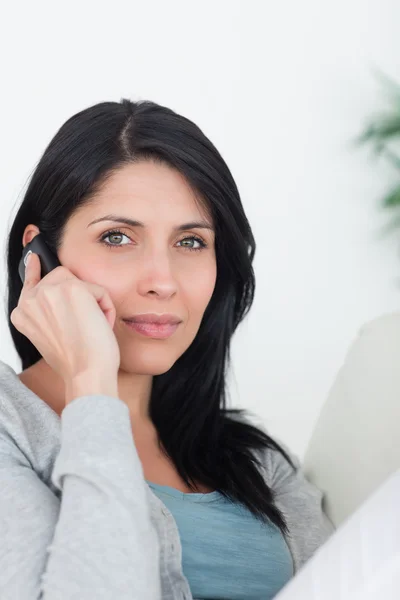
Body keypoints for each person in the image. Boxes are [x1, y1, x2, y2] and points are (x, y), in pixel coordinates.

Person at [0, 99, 333, 600]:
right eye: (117, 237)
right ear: (38, 256)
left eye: (192, 242)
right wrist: (92, 385)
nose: (163, 282)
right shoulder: (10, 428)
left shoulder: (254, 459)